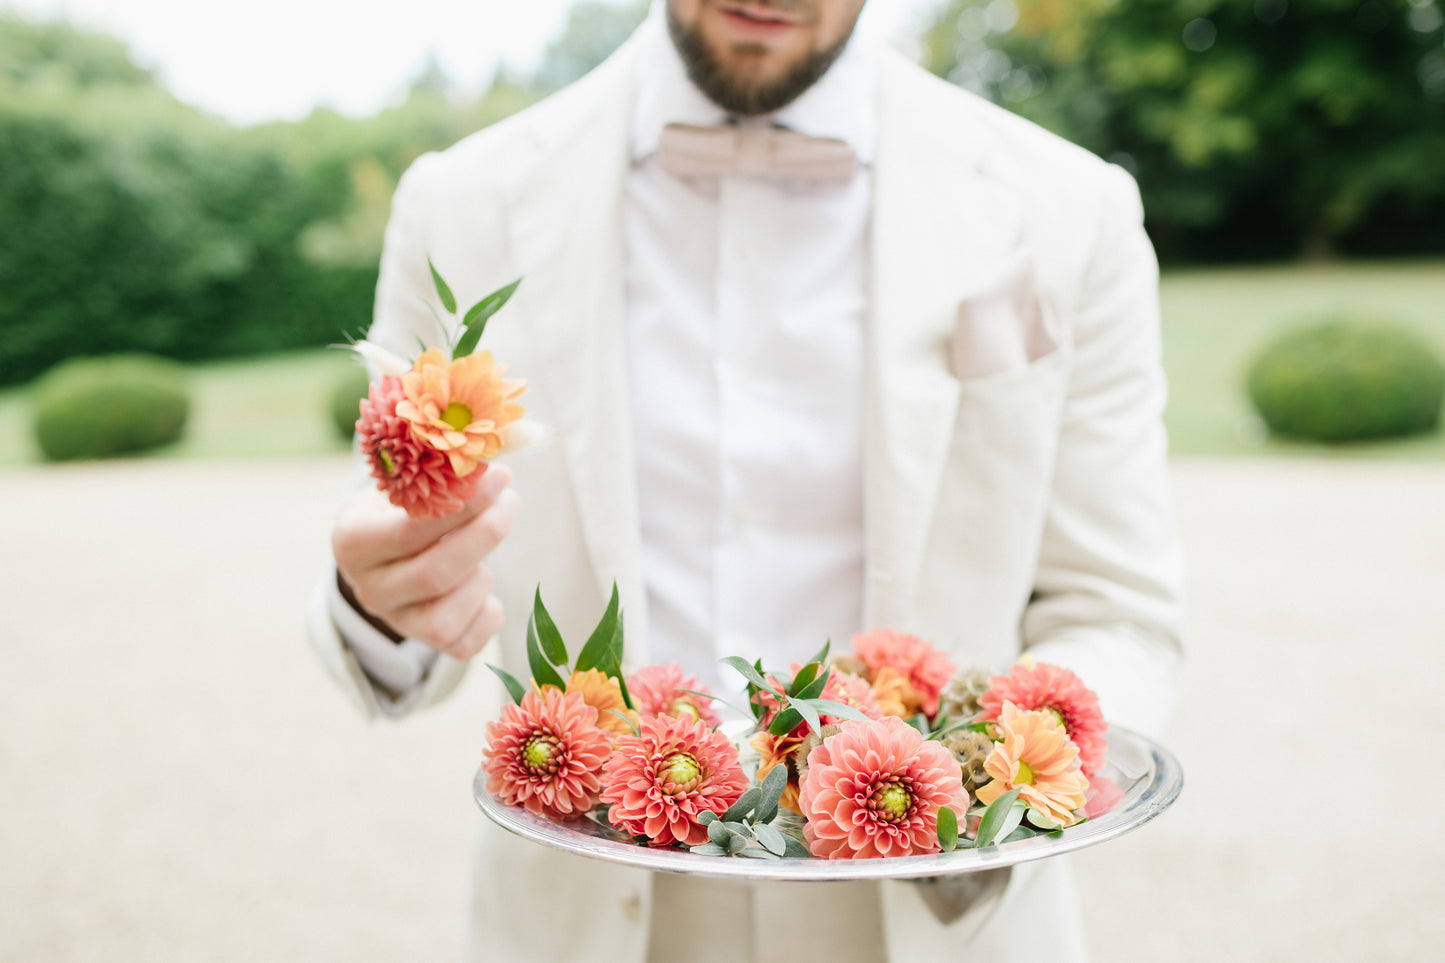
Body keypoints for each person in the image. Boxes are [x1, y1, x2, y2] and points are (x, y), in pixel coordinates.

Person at [307, 1, 1184, 960]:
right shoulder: (459, 202)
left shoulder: (1069, 205)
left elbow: (1117, 608)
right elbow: (421, 599)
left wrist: (987, 800)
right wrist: (381, 604)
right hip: (586, 913)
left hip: (936, 915)